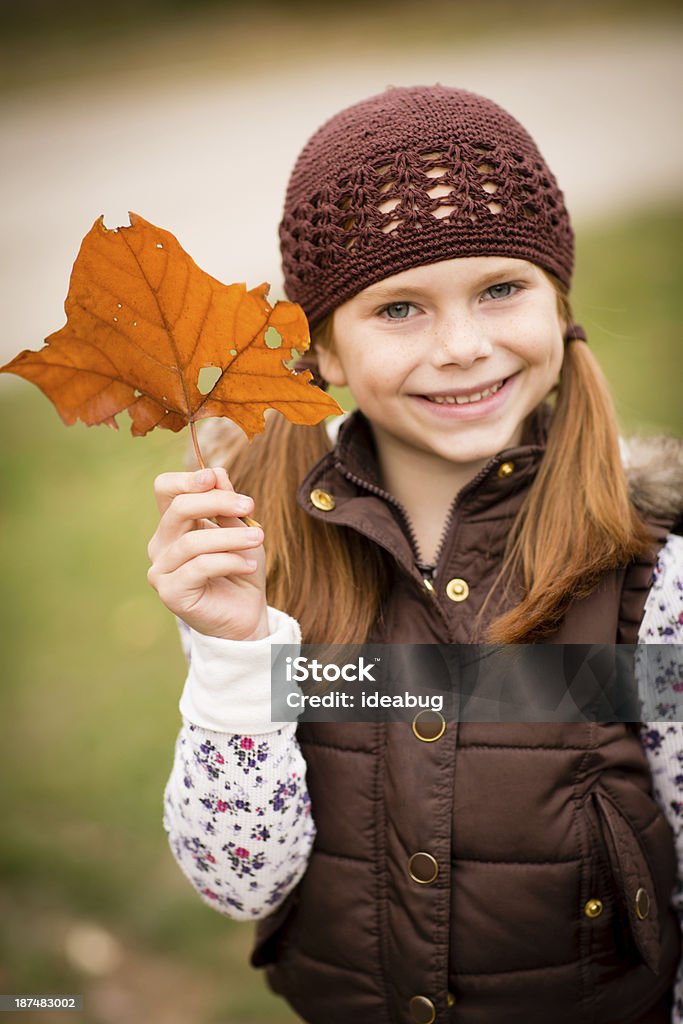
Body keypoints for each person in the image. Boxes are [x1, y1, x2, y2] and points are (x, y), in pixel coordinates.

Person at [148, 86, 683, 1023]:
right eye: (398, 308)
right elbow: (240, 886)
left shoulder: (651, 577)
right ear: (325, 355)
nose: (463, 347)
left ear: (559, 303)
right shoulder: (268, 564)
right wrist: (236, 657)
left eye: (500, 288)